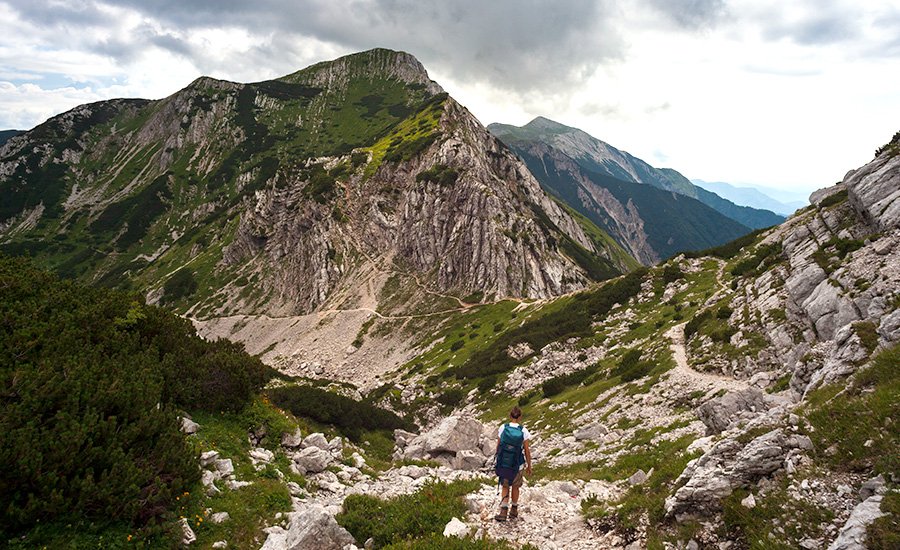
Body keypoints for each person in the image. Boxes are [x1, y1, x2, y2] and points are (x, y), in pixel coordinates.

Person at [494, 406, 532, 521]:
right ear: (520, 417)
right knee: (515, 486)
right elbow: (526, 450)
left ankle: (503, 512)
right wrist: (529, 465)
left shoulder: (503, 428)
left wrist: (498, 458)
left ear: (510, 416)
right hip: (517, 464)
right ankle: (514, 510)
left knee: (505, 486)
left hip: (505, 463)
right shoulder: (523, 431)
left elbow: (499, 445)